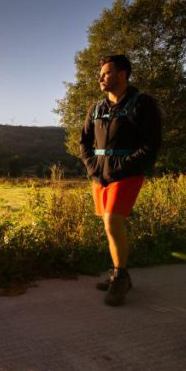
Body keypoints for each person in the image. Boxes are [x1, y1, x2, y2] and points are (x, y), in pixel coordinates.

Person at [79, 54, 162, 306]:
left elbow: (152, 144)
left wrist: (121, 166)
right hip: (100, 176)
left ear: (123, 74)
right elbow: (84, 142)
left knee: (113, 223)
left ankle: (121, 278)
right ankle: (118, 270)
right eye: (100, 74)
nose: (100, 78)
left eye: (106, 73)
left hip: (127, 174)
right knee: (108, 226)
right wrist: (93, 167)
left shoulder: (142, 104)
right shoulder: (96, 108)